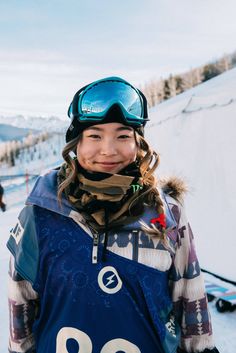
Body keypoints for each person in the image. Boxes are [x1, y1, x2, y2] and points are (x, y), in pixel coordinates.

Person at [7, 77, 219, 353]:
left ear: (138, 143)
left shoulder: (167, 213)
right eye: (94, 135)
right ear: (76, 144)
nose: (108, 150)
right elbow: (20, 306)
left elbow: (192, 301)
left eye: (122, 136)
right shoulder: (41, 212)